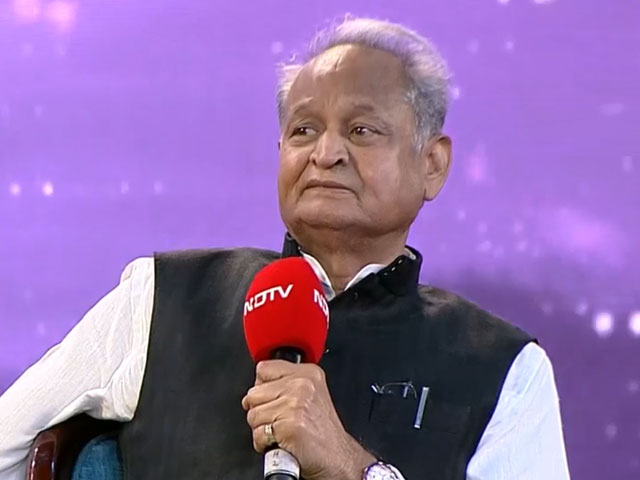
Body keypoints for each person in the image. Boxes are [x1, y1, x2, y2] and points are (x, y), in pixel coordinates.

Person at [0, 17, 570, 480]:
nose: (325, 153)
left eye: (361, 131)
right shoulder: (161, 299)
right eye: (303, 131)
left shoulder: (502, 368)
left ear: (433, 164)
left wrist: (353, 468)